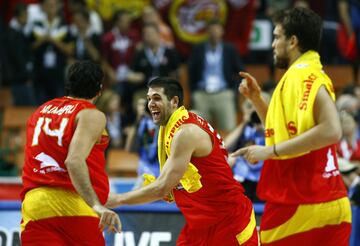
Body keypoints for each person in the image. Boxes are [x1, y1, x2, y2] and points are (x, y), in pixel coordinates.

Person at [232, 7, 352, 245]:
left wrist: (268, 152)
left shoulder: (302, 77)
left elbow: (331, 130)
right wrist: (257, 100)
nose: (273, 44)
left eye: (277, 37)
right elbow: (286, 134)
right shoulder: (307, 73)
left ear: (293, 41)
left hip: (299, 204)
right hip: (331, 202)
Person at [105, 77, 258, 245]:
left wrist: (119, 199)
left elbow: (162, 188)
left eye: (156, 98)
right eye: (149, 99)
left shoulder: (186, 133)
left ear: (174, 101)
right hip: (198, 225)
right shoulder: (172, 127)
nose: (150, 104)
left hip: (229, 223)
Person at [20, 61, 121, 245]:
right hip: (74, 203)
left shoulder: (40, 110)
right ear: (99, 89)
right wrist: (96, 204)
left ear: (68, 83)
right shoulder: (91, 114)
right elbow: (74, 161)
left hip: (35, 204)